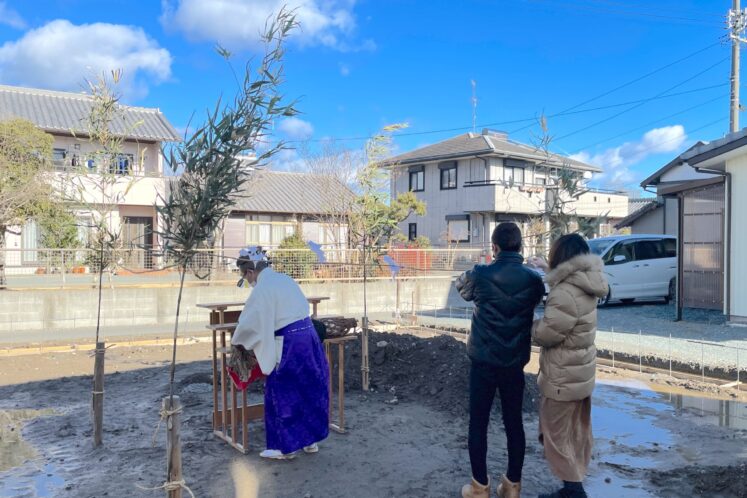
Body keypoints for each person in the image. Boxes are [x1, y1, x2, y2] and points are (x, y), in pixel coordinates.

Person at [456, 223, 546, 498]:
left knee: (478, 424)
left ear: (494, 248)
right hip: (514, 362)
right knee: (513, 422)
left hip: (483, 361)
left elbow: (463, 289)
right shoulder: (533, 279)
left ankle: (479, 487)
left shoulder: (481, 274)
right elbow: (539, 300)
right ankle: (512, 486)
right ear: (520, 247)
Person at [231, 246, 330, 460]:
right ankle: (310, 440)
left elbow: (250, 322)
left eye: (245, 276)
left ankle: (284, 447)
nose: (247, 280)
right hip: (309, 336)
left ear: (250, 272)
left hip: (288, 342)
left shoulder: (263, 288)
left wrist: (237, 339)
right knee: (309, 387)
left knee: (282, 391)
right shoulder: (284, 279)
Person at [531, 234, 608, 498]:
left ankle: (573, 490)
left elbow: (547, 334)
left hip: (563, 378)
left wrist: (532, 322)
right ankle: (573, 484)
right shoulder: (588, 282)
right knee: (576, 432)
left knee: (554, 434)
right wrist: (545, 269)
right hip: (581, 374)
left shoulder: (564, 293)